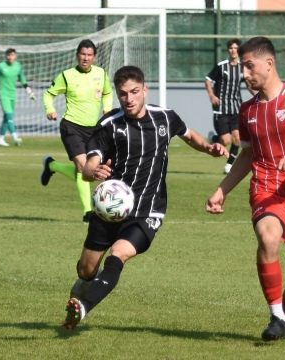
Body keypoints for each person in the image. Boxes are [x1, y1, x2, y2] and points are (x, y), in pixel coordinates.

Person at [62, 65, 228, 330]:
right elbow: (88, 166)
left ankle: (82, 308)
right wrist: (94, 171)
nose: (129, 99)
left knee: (118, 255)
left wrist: (209, 148)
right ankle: (80, 294)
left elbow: (189, 135)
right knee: (86, 271)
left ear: (145, 90)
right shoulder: (108, 125)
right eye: (123, 94)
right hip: (109, 209)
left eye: (134, 92)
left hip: (147, 211)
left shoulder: (165, 118)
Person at [205, 37, 285, 342]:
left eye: (249, 66)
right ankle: (275, 316)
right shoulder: (247, 111)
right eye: (243, 67)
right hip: (266, 190)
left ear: (269, 64)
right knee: (268, 237)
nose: (244, 74)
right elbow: (247, 154)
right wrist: (222, 190)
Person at [39, 39, 113, 222]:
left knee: (90, 171)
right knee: (82, 167)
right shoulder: (66, 76)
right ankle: (88, 212)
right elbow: (48, 94)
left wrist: (107, 109)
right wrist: (50, 109)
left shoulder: (101, 74)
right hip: (71, 126)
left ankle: (52, 165)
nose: (85, 58)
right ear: (77, 56)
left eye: (89, 55)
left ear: (94, 57)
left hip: (93, 129)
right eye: (82, 55)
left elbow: (108, 92)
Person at [205, 38, 246, 174]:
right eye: (231, 48)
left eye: (235, 48)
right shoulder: (221, 66)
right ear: (228, 50)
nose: (233, 51)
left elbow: (250, 85)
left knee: (237, 138)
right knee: (225, 140)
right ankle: (214, 138)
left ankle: (229, 165)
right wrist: (212, 96)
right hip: (221, 108)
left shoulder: (243, 67)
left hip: (236, 108)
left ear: (239, 50)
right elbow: (208, 80)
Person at [0, 48, 35, 146]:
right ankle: (15, 137)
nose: (10, 57)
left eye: (12, 55)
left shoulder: (18, 66)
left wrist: (29, 92)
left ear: (15, 56)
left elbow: (22, 79)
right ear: (5, 56)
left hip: (13, 94)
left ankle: (0, 139)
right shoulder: (0, 66)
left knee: (6, 118)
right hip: (3, 94)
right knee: (9, 115)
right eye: (8, 55)